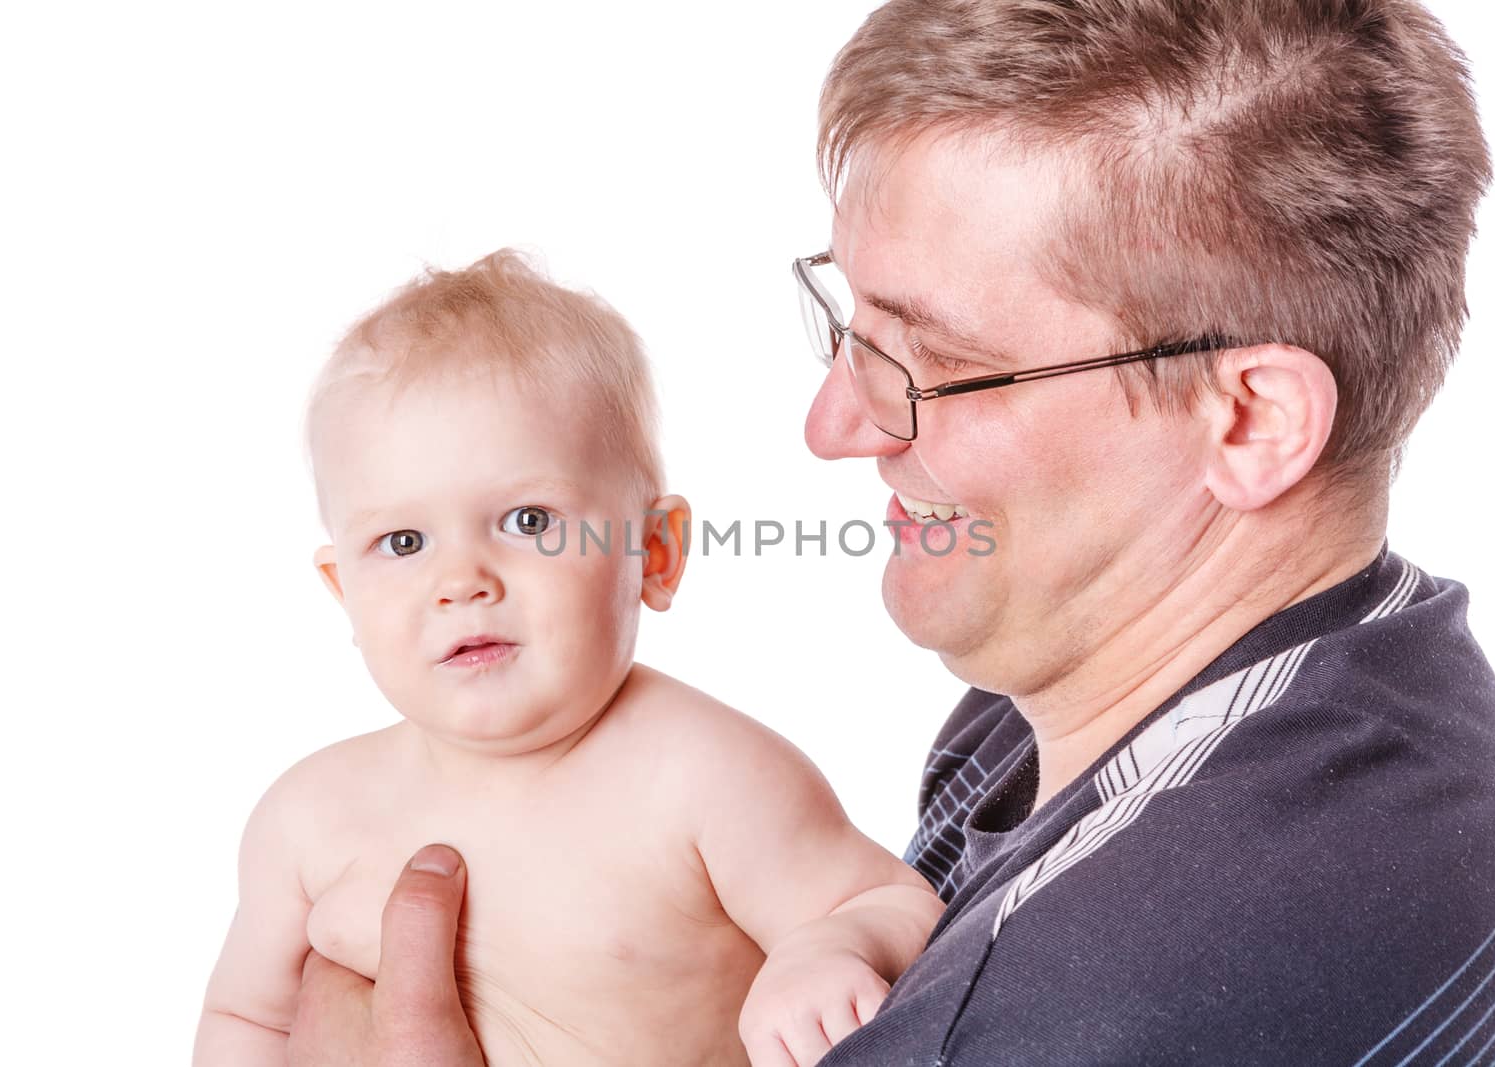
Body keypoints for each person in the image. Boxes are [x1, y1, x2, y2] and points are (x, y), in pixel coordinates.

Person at [288, 1, 1495, 1064]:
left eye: (936, 363)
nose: (833, 423)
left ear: (1248, 416)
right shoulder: (1358, 685)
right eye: (853, 327)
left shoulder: (1092, 994)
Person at [192, 249, 943, 1067]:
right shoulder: (306, 818)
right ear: (344, 590)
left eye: (527, 521)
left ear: (654, 553)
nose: (462, 582)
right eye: (403, 541)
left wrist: (829, 949)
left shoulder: (703, 778)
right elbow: (246, 1022)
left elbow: (897, 901)